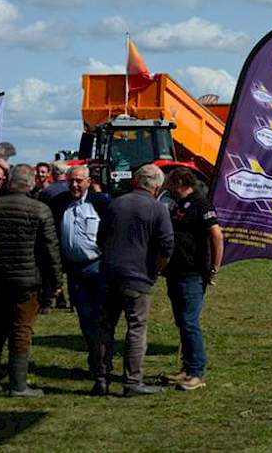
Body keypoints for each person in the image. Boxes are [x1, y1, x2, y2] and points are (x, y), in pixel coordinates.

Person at [0, 164, 62, 396]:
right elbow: (50, 249)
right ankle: (18, 384)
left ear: (8, 182)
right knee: (21, 329)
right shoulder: (40, 210)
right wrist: (56, 282)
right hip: (26, 281)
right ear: (31, 182)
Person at [97, 164, 174, 396]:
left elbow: (100, 238)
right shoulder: (158, 208)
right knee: (137, 328)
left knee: (105, 328)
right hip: (138, 277)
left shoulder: (115, 204)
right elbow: (167, 246)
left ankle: (101, 378)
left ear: (135, 181)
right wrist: (156, 270)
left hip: (109, 274)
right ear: (157, 187)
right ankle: (132, 381)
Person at [48, 165, 111, 395]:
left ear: (88, 181)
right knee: (85, 320)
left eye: (79, 181)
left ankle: (102, 366)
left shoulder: (101, 203)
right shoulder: (59, 203)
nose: (74, 185)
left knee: (101, 320)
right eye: (71, 181)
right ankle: (97, 362)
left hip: (97, 269)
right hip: (74, 272)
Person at [160, 168, 223, 392]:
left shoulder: (201, 204)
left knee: (189, 322)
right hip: (175, 272)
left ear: (179, 182)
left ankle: (197, 372)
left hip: (192, 273)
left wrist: (215, 267)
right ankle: (187, 369)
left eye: (169, 181)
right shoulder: (178, 205)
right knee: (182, 321)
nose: (165, 185)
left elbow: (216, 235)